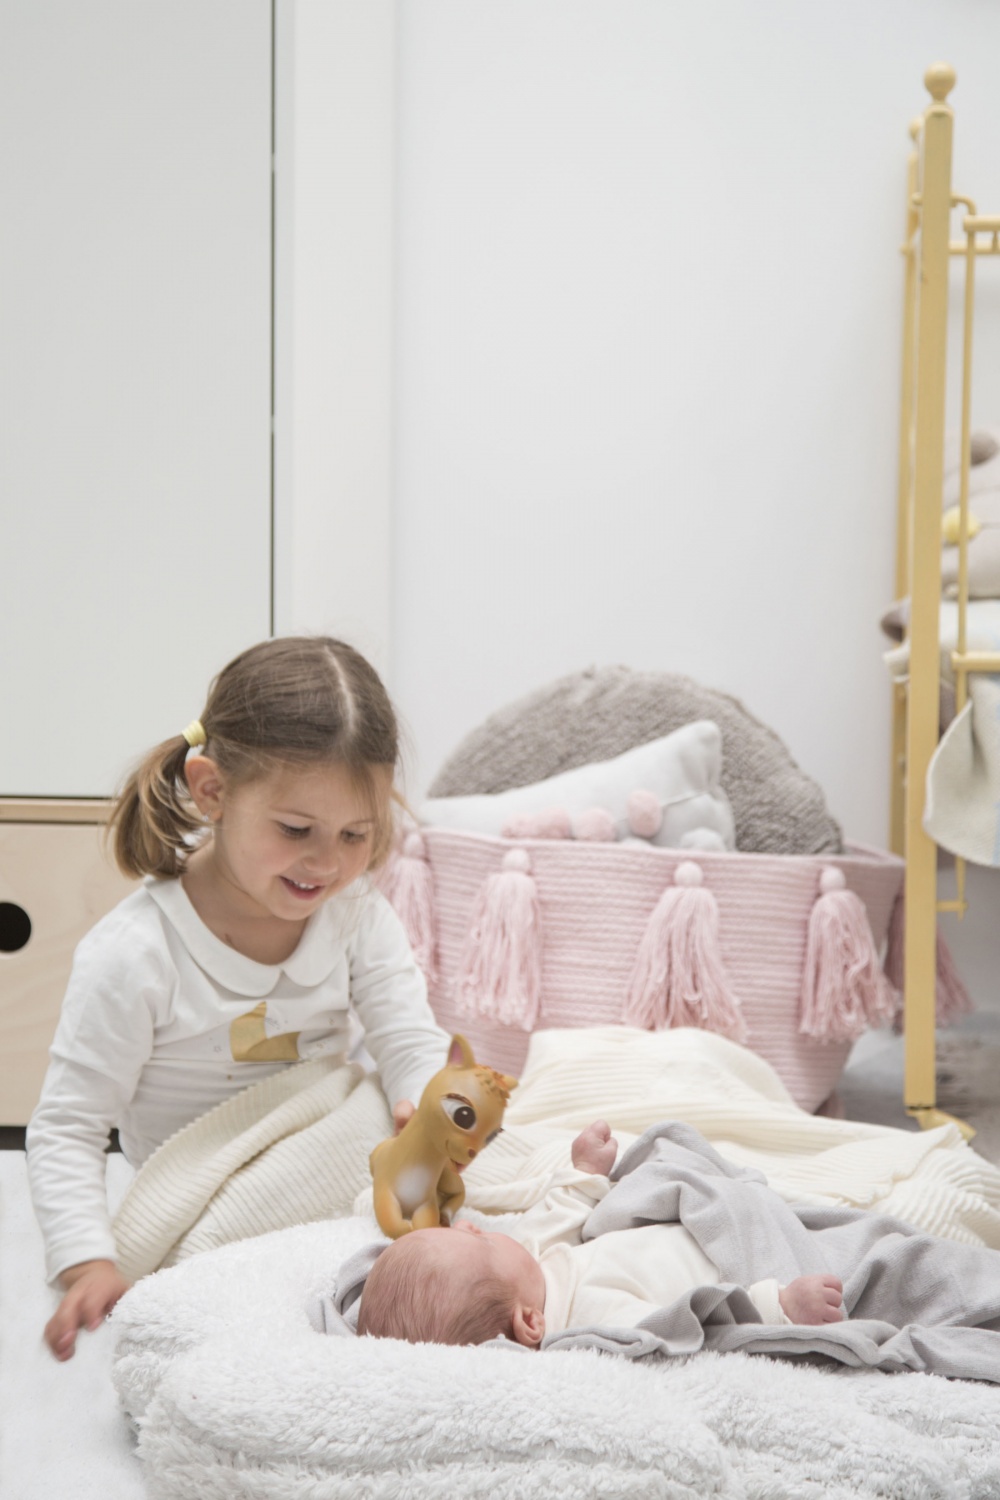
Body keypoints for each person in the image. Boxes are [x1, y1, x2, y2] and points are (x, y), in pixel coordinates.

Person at [29, 635, 450, 1361]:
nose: (327, 863)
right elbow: (68, 1126)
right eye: (296, 829)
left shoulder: (356, 915)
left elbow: (408, 1039)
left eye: (356, 833)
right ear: (212, 791)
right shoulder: (135, 953)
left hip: (327, 1157)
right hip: (205, 1194)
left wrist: (428, 1105)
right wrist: (86, 1262)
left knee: (470, 1151)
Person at [357, 1120, 845, 1345]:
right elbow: (695, 1322)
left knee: (671, 1162)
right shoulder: (596, 1319)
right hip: (737, 1260)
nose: (468, 1224)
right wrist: (778, 1305)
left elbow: (560, 1210)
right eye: (478, 1239)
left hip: (688, 1215)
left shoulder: (530, 1264)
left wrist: (585, 1170)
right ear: (529, 1323)